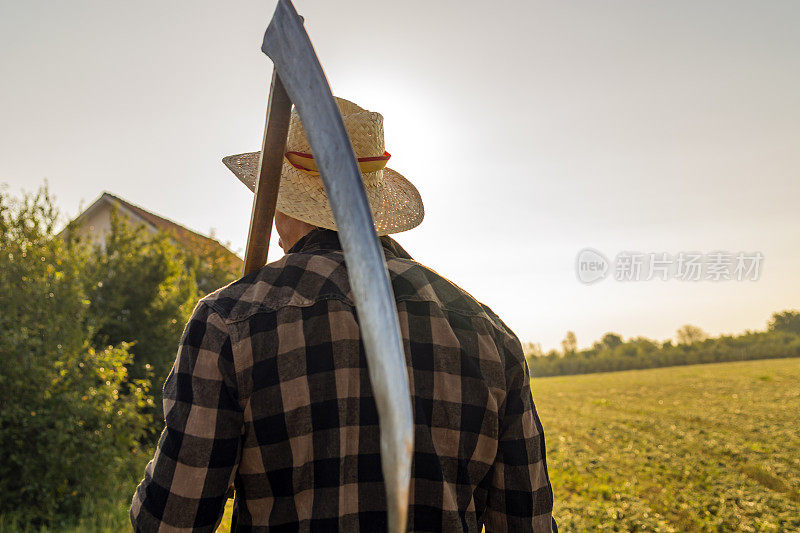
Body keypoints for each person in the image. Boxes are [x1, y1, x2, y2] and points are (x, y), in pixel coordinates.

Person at [131, 98, 556, 531]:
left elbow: (171, 522)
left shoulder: (227, 322)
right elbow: (527, 522)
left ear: (285, 202)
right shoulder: (487, 332)